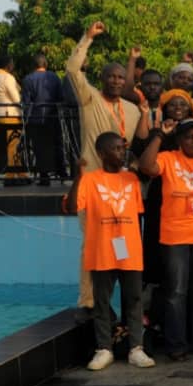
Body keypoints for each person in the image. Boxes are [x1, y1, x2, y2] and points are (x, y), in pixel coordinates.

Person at [66, 22, 143, 310]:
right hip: (91, 184)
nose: (115, 81)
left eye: (120, 77)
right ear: (102, 78)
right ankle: (88, 302)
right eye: (110, 76)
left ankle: (121, 303)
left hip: (120, 188)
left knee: (121, 242)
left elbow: (133, 146)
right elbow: (73, 70)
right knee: (92, 242)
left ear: (126, 81)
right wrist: (87, 38)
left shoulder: (133, 110)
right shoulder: (89, 100)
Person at [68, 132, 155, 371]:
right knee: (102, 301)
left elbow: (136, 211)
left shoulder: (131, 179)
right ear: (102, 153)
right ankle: (104, 348)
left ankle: (136, 348)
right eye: (116, 148)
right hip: (102, 249)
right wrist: (77, 176)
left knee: (134, 300)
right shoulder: (90, 179)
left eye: (122, 148)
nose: (121, 152)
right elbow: (72, 206)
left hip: (129, 249)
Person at [138, 118, 193, 361]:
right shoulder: (168, 158)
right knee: (175, 292)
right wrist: (159, 136)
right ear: (179, 140)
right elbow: (146, 166)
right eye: (188, 136)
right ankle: (176, 345)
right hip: (174, 235)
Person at [21, 54, 64, 185]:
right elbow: (60, 97)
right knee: (57, 144)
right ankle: (61, 173)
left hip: (36, 117)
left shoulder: (28, 79)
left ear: (34, 65)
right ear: (45, 64)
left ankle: (44, 176)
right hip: (53, 116)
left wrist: (25, 121)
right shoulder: (55, 77)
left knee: (39, 148)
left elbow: (27, 102)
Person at [0, 55, 27, 184]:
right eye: (12, 64)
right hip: (9, 115)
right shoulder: (8, 78)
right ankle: (11, 175)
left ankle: (21, 173)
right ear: (8, 65)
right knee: (14, 145)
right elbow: (16, 99)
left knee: (8, 146)